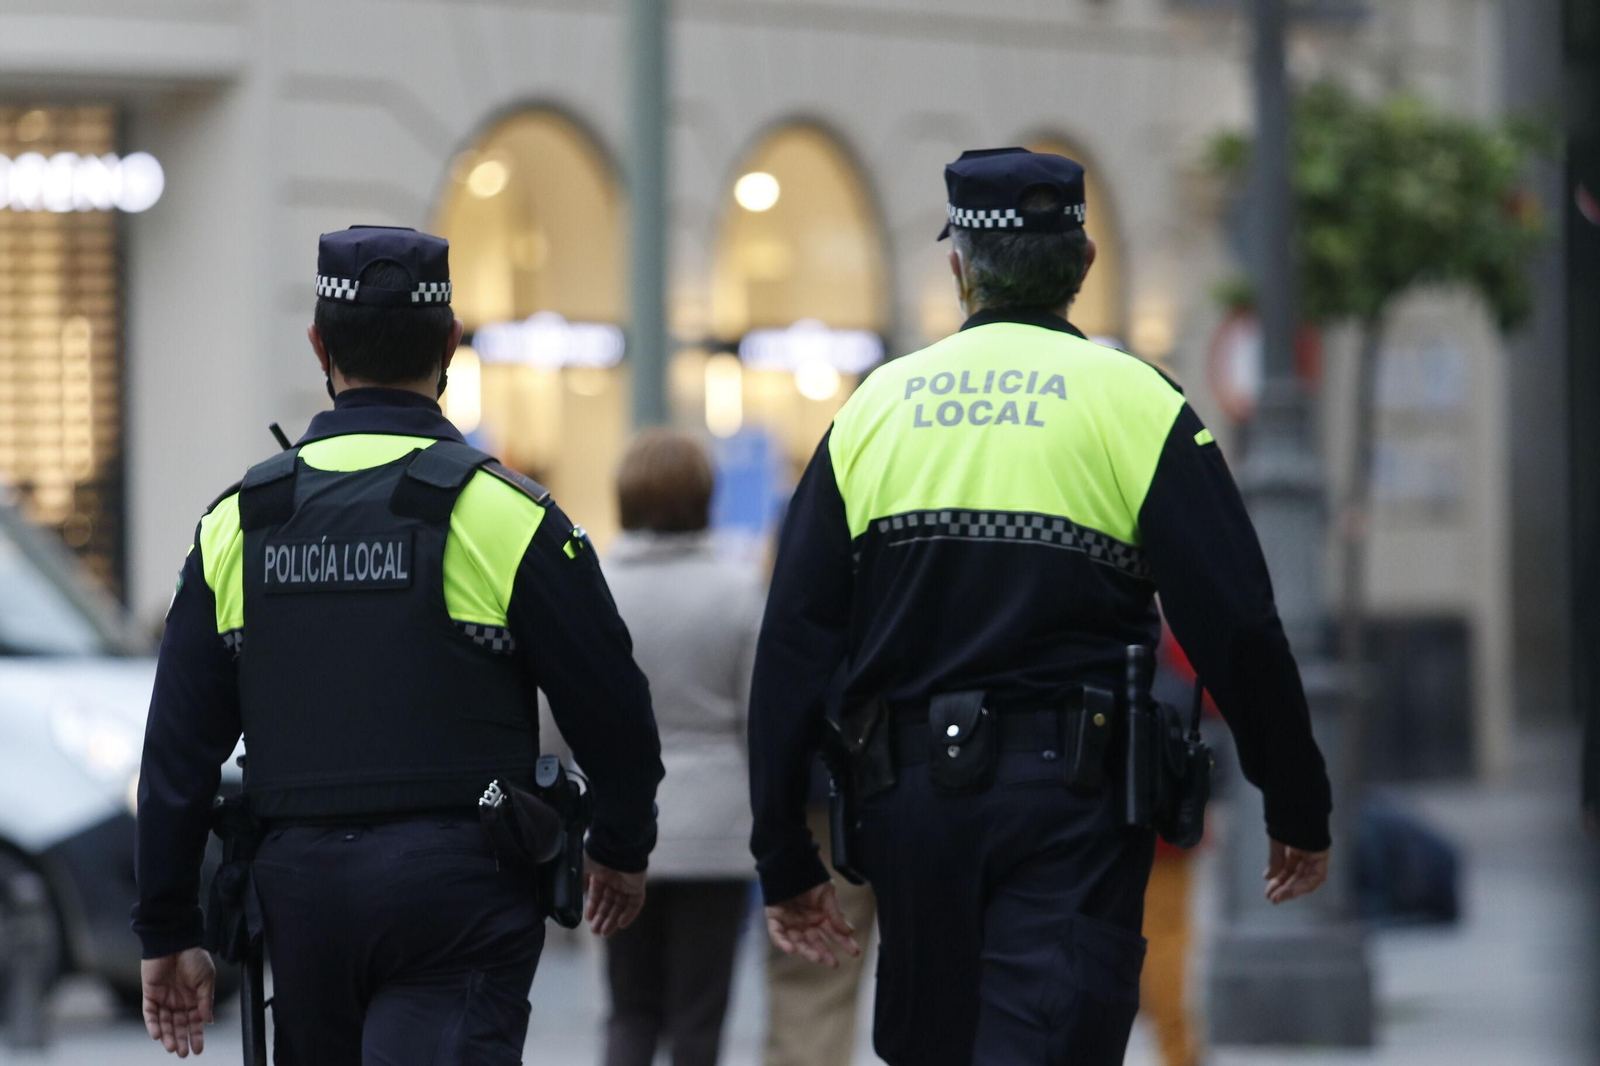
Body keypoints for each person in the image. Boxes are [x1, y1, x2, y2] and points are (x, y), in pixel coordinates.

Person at [747, 147, 1334, 1066]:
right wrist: (1295, 798)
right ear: (1086, 263)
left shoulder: (873, 410)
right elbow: (1239, 624)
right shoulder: (1138, 401)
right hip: (1076, 804)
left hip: (910, 811)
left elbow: (791, 645)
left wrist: (784, 851)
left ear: (958, 269)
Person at [131, 225, 664, 1061]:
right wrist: (622, 846)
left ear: (319, 344)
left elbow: (176, 753)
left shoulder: (239, 523)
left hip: (299, 895)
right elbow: (612, 704)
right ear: (450, 342)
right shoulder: (506, 515)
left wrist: (166, 926)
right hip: (460, 888)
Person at [599, 429, 764, 1066]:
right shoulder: (740, 589)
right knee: (700, 1019)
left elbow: (558, 717)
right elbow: (760, 721)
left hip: (618, 827)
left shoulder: (596, 584)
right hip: (718, 832)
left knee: (629, 1009)